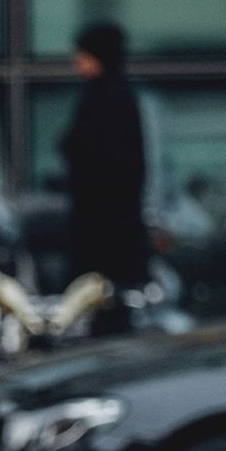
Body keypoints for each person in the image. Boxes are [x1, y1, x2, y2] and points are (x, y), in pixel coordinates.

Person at [59, 22, 150, 334]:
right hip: (109, 216)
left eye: (83, 55)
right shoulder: (114, 95)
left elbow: (103, 157)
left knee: (103, 295)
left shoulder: (108, 98)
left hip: (106, 220)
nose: (77, 62)